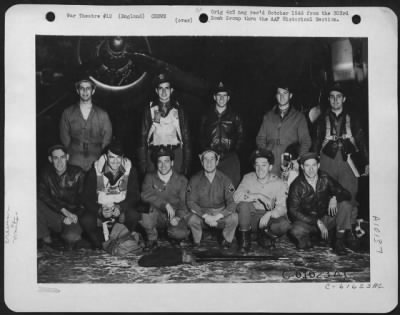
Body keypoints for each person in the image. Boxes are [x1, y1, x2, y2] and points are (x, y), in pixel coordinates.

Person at [312, 83, 369, 238]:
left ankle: (348, 230)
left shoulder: (354, 118)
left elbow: (361, 140)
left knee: (350, 194)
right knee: (327, 193)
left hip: (347, 161)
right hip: (327, 160)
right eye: (332, 97)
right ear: (329, 99)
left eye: (338, 97)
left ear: (343, 99)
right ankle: (330, 226)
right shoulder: (321, 119)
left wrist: (367, 162)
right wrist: (314, 160)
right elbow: (316, 141)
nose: (335, 100)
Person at [287, 152, 353, 255]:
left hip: (326, 217)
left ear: (318, 165)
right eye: (307, 166)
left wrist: (335, 197)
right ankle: (308, 240)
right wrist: (316, 221)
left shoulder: (325, 178)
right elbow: (293, 211)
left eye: (314, 165)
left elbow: (347, 194)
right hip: (309, 222)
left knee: (345, 205)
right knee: (296, 230)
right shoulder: (296, 185)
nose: (311, 169)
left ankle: (339, 241)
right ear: (302, 167)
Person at [81, 140, 141, 249]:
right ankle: (98, 243)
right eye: (112, 157)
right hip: (101, 207)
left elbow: (135, 195)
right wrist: (99, 210)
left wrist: (121, 207)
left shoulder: (130, 169)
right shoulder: (95, 171)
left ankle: (123, 239)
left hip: (119, 207)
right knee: (86, 220)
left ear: (123, 157)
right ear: (106, 157)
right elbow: (86, 198)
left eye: (118, 157)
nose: (115, 161)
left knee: (134, 215)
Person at [234, 149, 291, 252]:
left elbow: (283, 207)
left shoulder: (279, 183)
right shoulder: (248, 178)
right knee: (243, 205)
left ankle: (263, 235)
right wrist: (258, 196)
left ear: (270, 167)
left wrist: (270, 214)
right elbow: (236, 197)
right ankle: (244, 241)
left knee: (284, 225)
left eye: (264, 165)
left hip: (267, 219)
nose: (260, 169)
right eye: (257, 165)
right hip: (249, 218)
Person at [138, 73, 191, 177]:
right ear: (156, 91)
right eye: (160, 88)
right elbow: (143, 138)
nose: (163, 92)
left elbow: (186, 138)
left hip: (175, 155)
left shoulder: (179, 110)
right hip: (155, 156)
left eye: (166, 88)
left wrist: (186, 164)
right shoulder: (150, 110)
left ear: (171, 90)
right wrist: (143, 164)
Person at [140, 146, 190, 251]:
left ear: (172, 163)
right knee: (145, 215)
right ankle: (152, 238)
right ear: (156, 163)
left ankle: (173, 237)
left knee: (180, 234)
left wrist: (178, 217)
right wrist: (165, 205)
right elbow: (145, 195)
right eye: (160, 162)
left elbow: (184, 203)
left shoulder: (181, 180)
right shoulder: (150, 177)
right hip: (156, 214)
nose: (163, 165)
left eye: (166, 161)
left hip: (173, 215)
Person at [187, 148, 238, 248]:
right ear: (201, 162)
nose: (209, 163)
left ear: (217, 161)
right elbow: (190, 202)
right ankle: (197, 240)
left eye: (212, 159)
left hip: (220, 214)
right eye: (205, 159)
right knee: (191, 219)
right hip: (203, 214)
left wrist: (217, 217)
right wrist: (206, 216)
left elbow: (232, 203)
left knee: (234, 217)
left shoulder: (225, 179)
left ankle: (226, 240)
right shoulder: (194, 179)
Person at [256, 83, 311, 175]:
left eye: (285, 93)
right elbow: (260, 138)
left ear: (290, 95)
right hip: (271, 162)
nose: (282, 96)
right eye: (279, 93)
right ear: (276, 96)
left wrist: (298, 160)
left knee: (288, 187)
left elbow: (306, 141)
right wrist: (265, 156)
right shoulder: (268, 116)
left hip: (290, 161)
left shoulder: (299, 117)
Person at [37, 144, 86, 250]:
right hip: (55, 214)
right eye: (56, 158)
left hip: (72, 215)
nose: (59, 162)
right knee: (36, 203)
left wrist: (75, 215)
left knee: (72, 237)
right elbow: (42, 195)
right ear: (50, 159)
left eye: (62, 157)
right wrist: (63, 211)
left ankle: (66, 240)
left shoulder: (78, 173)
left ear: (67, 157)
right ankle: (46, 239)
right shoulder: (45, 173)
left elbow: (84, 200)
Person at [60, 75, 112, 171]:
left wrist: (101, 157)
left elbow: (107, 139)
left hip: (96, 158)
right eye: (82, 88)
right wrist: (71, 152)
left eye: (88, 88)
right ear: (77, 91)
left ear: (93, 91)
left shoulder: (102, 114)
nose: (85, 91)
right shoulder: (67, 113)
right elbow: (64, 137)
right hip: (74, 159)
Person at [199, 81, 244, 187]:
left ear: (228, 98)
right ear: (214, 97)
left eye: (224, 96)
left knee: (231, 188)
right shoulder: (206, 116)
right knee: (211, 187)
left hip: (229, 158)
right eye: (219, 95)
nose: (221, 98)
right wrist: (207, 151)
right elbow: (201, 136)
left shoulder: (235, 116)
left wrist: (232, 149)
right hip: (211, 158)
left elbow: (241, 137)